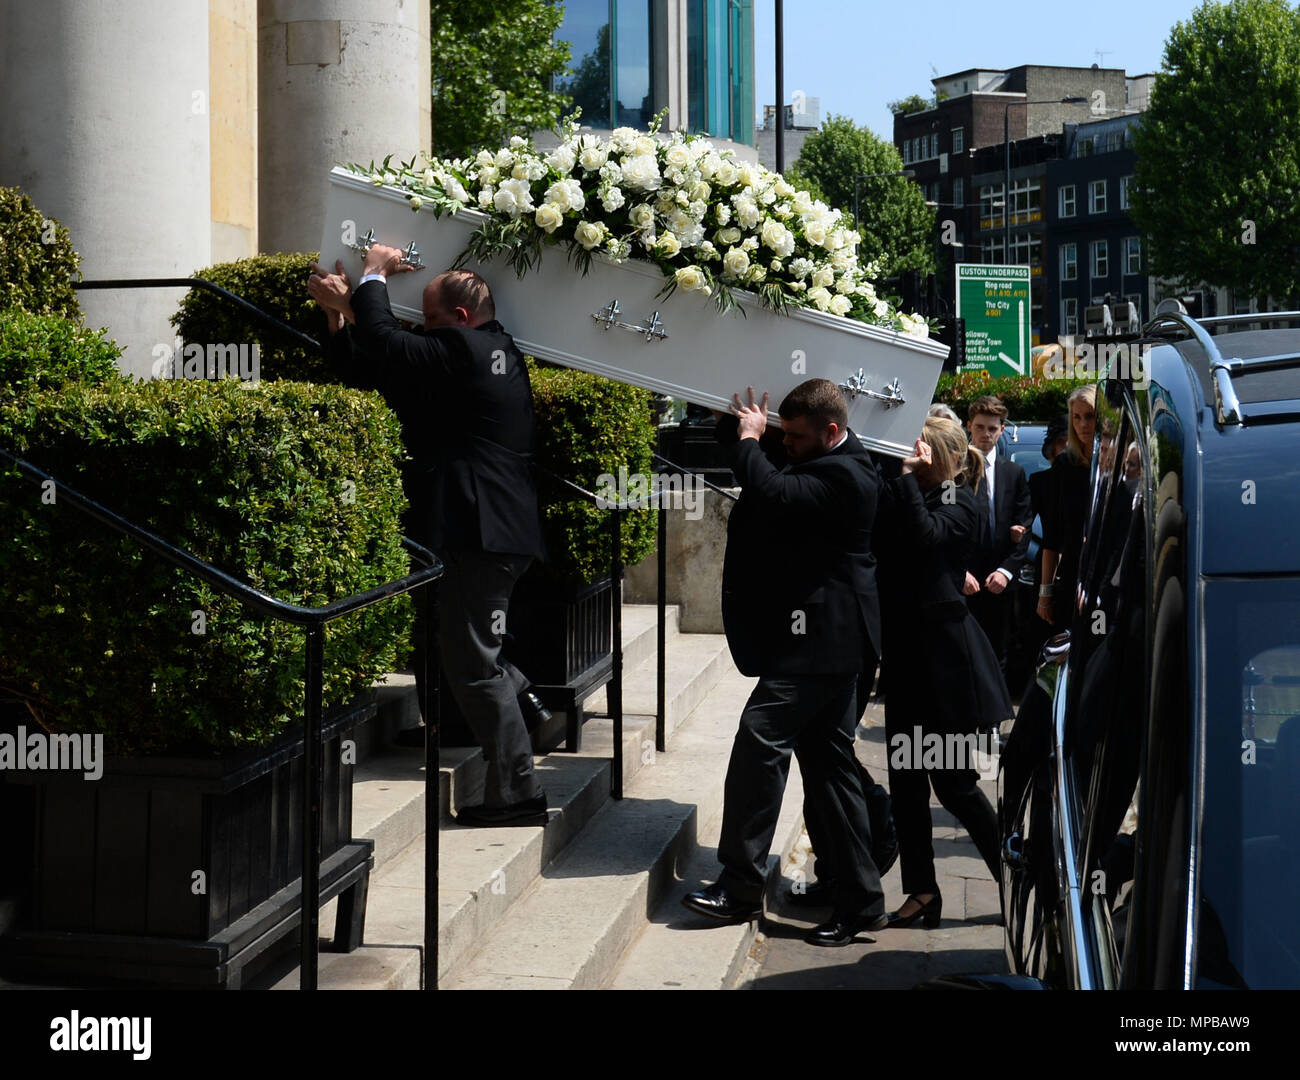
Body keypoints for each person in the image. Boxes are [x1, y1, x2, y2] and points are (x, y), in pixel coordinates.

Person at [307, 249, 549, 826]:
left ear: (461, 318)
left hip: (481, 531)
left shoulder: (471, 348)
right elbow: (375, 370)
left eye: (432, 321)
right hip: (483, 529)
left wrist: (373, 275)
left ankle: (519, 796)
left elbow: (392, 344)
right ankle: (524, 701)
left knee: (472, 666)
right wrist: (340, 319)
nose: (424, 332)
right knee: (459, 647)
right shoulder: (477, 355)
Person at [682, 380, 888, 947]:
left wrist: (752, 441)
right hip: (828, 640)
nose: (785, 443)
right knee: (828, 768)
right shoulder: (821, 454)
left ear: (829, 430)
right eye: (782, 434)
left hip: (825, 641)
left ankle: (742, 881)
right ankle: (862, 900)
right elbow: (758, 454)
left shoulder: (848, 472)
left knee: (760, 737)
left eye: (795, 436)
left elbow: (771, 492)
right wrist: (746, 425)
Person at [876, 416, 1009, 928]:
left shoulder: (960, 499)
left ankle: (1017, 881)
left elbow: (929, 538)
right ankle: (922, 894)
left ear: (943, 456)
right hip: (909, 660)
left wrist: (910, 479)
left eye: (921, 451)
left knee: (954, 784)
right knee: (906, 782)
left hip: (949, 664)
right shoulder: (905, 493)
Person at [962, 396, 1032, 683]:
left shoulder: (1013, 473)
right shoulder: (956, 473)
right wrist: (959, 572)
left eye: (992, 429)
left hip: (999, 580)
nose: (986, 435)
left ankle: (992, 722)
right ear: (969, 427)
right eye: (980, 427)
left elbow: (1025, 526)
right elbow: (944, 526)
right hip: (965, 578)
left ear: (1002, 429)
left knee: (996, 652)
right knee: (964, 653)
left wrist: (1006, 571)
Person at [1037, 385, 1096, 633]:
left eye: (1090, 416)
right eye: (1077, 417)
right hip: (1072, 574)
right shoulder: (1065, 463)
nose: (1083, 424)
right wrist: (1045, 593)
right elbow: (1052, 534)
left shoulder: (1120, 461)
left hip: (1108, 574)